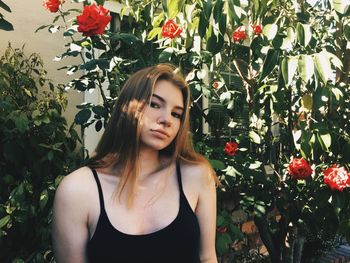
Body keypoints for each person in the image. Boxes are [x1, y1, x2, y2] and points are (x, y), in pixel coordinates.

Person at [52, 64, 218, 263]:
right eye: (155, 104)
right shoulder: (78, 189)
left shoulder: (196, 175)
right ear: (127, 106)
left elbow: (207, 257)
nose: (167, 120)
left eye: (176, 114)